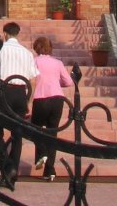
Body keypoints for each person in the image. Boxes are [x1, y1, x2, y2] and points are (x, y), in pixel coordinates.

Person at [0, 21, 38, 190]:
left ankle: (7, 165)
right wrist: (29, 100)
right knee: (17, 133)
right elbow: (33, 78)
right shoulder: (27, 53)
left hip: (4, 90)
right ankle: (13, 168)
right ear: (17, 33)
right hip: (20, 92)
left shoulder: (0, 49)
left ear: (5, 34)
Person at [30, 35, 73, 181]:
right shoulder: (57, 63)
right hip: (57, 99)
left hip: (41, 98)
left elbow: (29, 77)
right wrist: (55, 83)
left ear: (37, 48)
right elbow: (68, 81)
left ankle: (41, 154)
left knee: (34, 128)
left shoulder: (35, 61)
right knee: (52, 133)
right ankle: (50, 170)